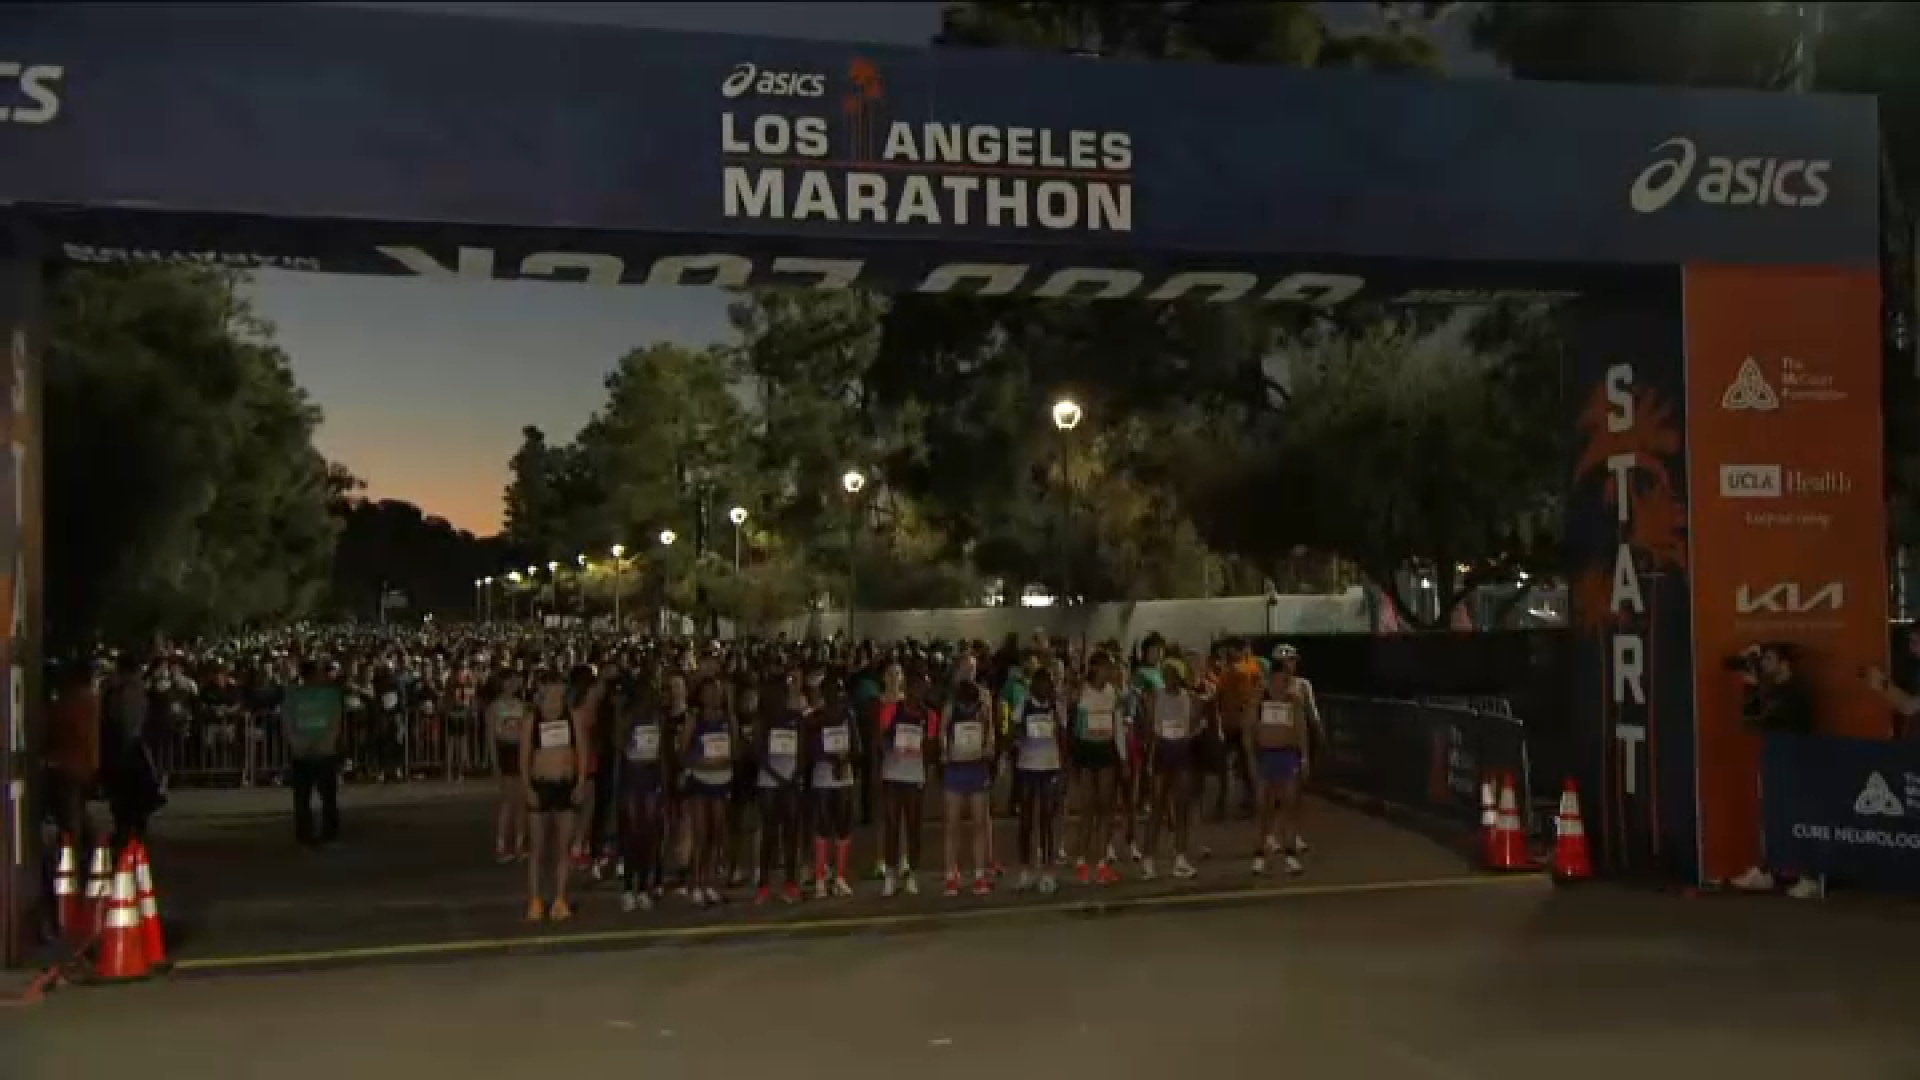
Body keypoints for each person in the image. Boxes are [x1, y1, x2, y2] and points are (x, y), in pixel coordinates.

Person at [1730, 643, 1820, 899]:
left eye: (1769, 658)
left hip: (1794, 759)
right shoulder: (1775, 690)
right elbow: (1750, 720)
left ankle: (1808, 875)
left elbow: (1756, 718)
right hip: (1775, 758)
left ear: (1784, 663)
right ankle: (1770, 870)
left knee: (1795, 817)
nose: (1765, 663)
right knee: (1773, 815)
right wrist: (1752, 685)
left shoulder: (1794, 692)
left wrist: (1751, 686)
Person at [517, 667, 599, 921]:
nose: (554, 693)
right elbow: (524, 757)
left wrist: (580, 781)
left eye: (558, 688)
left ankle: (560, 898)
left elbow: (582, 750)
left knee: (562, 847)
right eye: (550, 688)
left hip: (565, 784)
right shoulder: (533, 719)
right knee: (538, 848)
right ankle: (535, 900)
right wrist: (528, 788)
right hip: (541, 785)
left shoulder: (571, 716)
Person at [1247, 644, 1325, 875]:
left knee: (1290, 803)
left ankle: (1290, 853)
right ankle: (1260, 853)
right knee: (1264, 807)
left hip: (1288, 755)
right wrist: (1251, 756)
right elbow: (1249, 728)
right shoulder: (1259, 696)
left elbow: (1301, 728)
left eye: (1286, 676)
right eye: (1279, 677)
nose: (1283, 681)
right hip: (1266, 755)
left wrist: (1304, 757)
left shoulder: (1296, 696)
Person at [877, 668, 939, 897]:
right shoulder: (892, 710)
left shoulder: (929, 716)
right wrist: (893, 741)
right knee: (892, 825)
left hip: (914, 776)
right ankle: (891, 874)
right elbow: (880, 739)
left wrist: (922, 744)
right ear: (908, 688)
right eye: (916, 688)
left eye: (924, 689)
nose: (919, 692)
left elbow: (932, 750)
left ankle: (912, 874)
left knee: (913, 827)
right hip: (893, 774)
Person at [1141, 657, 1200, 880]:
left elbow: (1195, 724)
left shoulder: (1190, 699)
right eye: (1166, 675)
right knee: (1157, 807)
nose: (1169, 679)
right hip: (1162, 752)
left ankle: (1180, 858)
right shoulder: (1156, 698)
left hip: (1181, 752)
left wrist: (1188, 736)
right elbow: (1149, 728)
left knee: (1181, 807)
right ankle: (1148, 858)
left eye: (1173, 675)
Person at [1068, 652, 1124, 886]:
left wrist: (1123, 756)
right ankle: (1081, 861)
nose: (1109, 673)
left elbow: (1118, 724)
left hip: (1106, 750)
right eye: (1105, 668)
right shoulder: (1082, 691)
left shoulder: (1113, 693)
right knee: (1087, 808)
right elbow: (1070, 721)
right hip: (1086, 750)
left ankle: (1101, 863)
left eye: (1110, 669)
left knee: (1106, 808)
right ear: (1094, 669)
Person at [680, 676, 736, 907]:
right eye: (708, 692)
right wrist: (701, 763)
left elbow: (737, 750)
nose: (713, 696)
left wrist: (725, 760)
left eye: (717, 692)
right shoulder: (694, 719)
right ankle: (696, 883)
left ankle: (711, 883)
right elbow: (682, 753)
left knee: (717, 834)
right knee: (701, 835)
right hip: (700, 780)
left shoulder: (727, 719)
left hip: (722, 779)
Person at [755, 667, 808, 905]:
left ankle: (790, 882)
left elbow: (803, 750)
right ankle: (764, 884)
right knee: (769, 833)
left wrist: (794, 775)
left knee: (790, 834)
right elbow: (760, 754)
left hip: (791, 780)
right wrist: (778, 777)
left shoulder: (796, 718)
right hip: (770, 781)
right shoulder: (764, 721)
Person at [615, 672, 667, 913]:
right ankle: (628, 888)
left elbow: (662, 752)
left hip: (650, 778)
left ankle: (645, 886)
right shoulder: (629, 717)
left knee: (649, 834)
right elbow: (620, 746)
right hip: (632, 778)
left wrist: (663, 782)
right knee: (632, 834)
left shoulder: (657, 718)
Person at [1012, 665, 1066, 895]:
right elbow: (1013, 731)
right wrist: (1020, 738)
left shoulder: (1056, 706)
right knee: (1026, 821)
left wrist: (1064, 768)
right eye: (1040, 684)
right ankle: (1026, 869)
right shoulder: (1023, 704)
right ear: (1033, 685)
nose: (1045, 688)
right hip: (1027, 767)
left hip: (1050, 767)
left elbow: (1064, 735)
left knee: (1046, 820)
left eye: (1049, 684)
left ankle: (1048, 870)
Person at [941, 672, 995, 896]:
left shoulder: (982, 709)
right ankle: (950, 876)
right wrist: (944, 751)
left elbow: (991, 735)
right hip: (955, 770)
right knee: (952, 825)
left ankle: (980, 875)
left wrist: (988, 749)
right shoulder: (950, 708)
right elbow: (942, 733)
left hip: (976, 769)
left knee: (979, 823)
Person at [281, 660, 345, 847]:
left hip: (322, 751)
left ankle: (328, 832)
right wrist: (298, 743)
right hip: (306, 752)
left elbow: (335, 720)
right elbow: (288, 721)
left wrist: (326, 741)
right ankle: (305, 833)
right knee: (303, 797)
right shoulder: (293, 696)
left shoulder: (331, 695)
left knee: (327, 796)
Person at [808, 674, 860, 898]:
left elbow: (857, 746)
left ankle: (840, 876)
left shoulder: (848, 715)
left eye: (838, 691)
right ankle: (820, 878)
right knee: (822, 825)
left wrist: (844, 759)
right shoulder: (815, 717)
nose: (834, 695)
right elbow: (809, 747)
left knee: (843, 824)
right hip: (823, 775)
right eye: (829, 691)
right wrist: (829, 759)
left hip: (844, 774)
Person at [487, 671, 530, 862]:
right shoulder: (495, 707)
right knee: (507, 800)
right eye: (510, 682)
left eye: (516, 682)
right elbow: (491, 737)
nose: (514, 685)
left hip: (519, 750)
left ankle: (520, 843)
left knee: (521, 800)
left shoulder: (521, 706)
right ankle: (502, 844)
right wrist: (494, 761)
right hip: (505, 750)